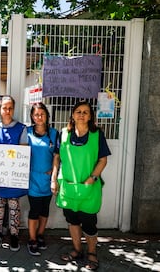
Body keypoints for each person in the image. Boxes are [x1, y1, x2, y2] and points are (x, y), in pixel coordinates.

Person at [51, 100, 111, 271]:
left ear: (90, 115)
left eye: (85, 112)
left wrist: (92, 178)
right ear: (73, 114)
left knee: (89, 223)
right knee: (72, 221)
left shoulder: (97, 134)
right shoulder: (63, 134)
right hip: (68, 187)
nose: (82, 115)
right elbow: (57, 158)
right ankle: (77, 250)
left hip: (89, 188)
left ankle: (92, 253)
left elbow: (103, 160)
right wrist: (54, 179)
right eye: (78, 111)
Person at [0, 95, 28, 252]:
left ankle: (14, 235)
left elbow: (24, 151)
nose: (7, 111)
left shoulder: (21, 128)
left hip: (14, 176)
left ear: (14, 109)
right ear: (0, 109)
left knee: (14, 207)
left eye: (10, 108)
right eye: (4, 107)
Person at [24, 102, 58, 256]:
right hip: (32, 179)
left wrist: (54, 172)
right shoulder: (28, 132)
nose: (39, 117)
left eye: (42, 114)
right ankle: (32, 239)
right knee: (35, 209)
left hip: (48, 178)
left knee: (45, 210)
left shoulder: (54, 133)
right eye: (36, 114)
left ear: (47, 116)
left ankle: (40, 235)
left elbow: (58, 155)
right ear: (32, 116)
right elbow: (21, 153)